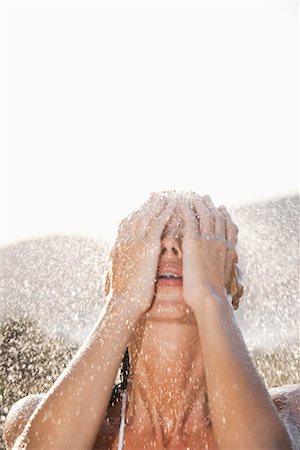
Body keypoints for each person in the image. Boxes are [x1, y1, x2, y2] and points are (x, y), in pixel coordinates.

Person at [3, 191, 300, 450]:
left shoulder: (291, 412)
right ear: (113, 279)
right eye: (148, 238)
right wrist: (121, 303)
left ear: (234, 284)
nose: (169, 246)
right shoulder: (37, 418)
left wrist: (212, 297)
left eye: (198, 238)